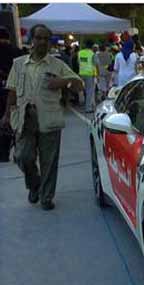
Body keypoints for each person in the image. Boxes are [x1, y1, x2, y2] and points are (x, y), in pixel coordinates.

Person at [1, 24, 83, 210]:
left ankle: (46, 197)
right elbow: (12, 91)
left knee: (49, 161)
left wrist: (63, 82)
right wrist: (6, 115)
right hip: (24, 118)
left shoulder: (57, 64)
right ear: (32, 40)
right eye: (39, 38)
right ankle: (34, 184)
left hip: (49, 118)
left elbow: (78, 85)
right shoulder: (19, 64)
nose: (42, 42)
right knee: (22, 156)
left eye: (46, 39)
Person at [0, 26, 24, 162]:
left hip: (1, 88)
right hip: (17, 90)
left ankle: (3, 153)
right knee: (17, 119)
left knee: (2, 121)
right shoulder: (18, 52)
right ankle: (19, 150)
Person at [78, 40, 99, 113]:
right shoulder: (92, 54)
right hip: (90, 74)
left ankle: (81, 101)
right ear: (92, 46)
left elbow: (78, 62)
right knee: (89, 91)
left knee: (81, 89)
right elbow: (96, 63)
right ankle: (88, 108)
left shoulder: (80, 53)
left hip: (81, 73)